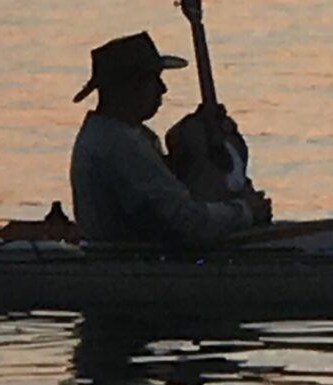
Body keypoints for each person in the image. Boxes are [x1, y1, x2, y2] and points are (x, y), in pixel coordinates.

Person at [69, 31, 267, 246]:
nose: (163, 89)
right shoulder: (121, 145)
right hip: (134, 265)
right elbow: (187, 219)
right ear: (130, 86)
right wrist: (246, 211)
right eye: (154, 79)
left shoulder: (117, 136)